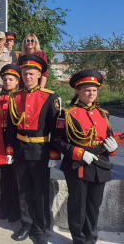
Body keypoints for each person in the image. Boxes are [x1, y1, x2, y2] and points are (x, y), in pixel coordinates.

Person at [53, 70, 118, 244]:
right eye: (86, 90)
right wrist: (79, 153)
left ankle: (91, 239)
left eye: (94, 90)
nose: (90, 94)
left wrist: (112, 150)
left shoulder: (104, 114)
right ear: (77, 91)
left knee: (94, 205)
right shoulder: (66, 114)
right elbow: (57, 141)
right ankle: (79, 240)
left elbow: (109, 139)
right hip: (78, 165)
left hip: (101, 165)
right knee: (78, 205)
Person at [7, 55, 61, 244]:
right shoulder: (15, 96)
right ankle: (26, 225)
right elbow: (11, 126)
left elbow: (55, 128)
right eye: (24, 73)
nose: (27, 76)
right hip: (21, 148)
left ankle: (40, 229)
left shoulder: (49, 96)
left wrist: (54, 153)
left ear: (39, 74)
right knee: (23, 190)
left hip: (40, 150)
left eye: (31, 73)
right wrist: (10, 150)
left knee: (40, 191)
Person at [0, 64, 21, 223]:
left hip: (17, 138)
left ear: (17, 81)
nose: (7, 82)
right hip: (0, 138)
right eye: (5, 79)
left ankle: (15, 207)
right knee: (4, 175)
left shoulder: (20, 97)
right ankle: (4, 205)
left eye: (11, 79)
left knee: (16, 174)